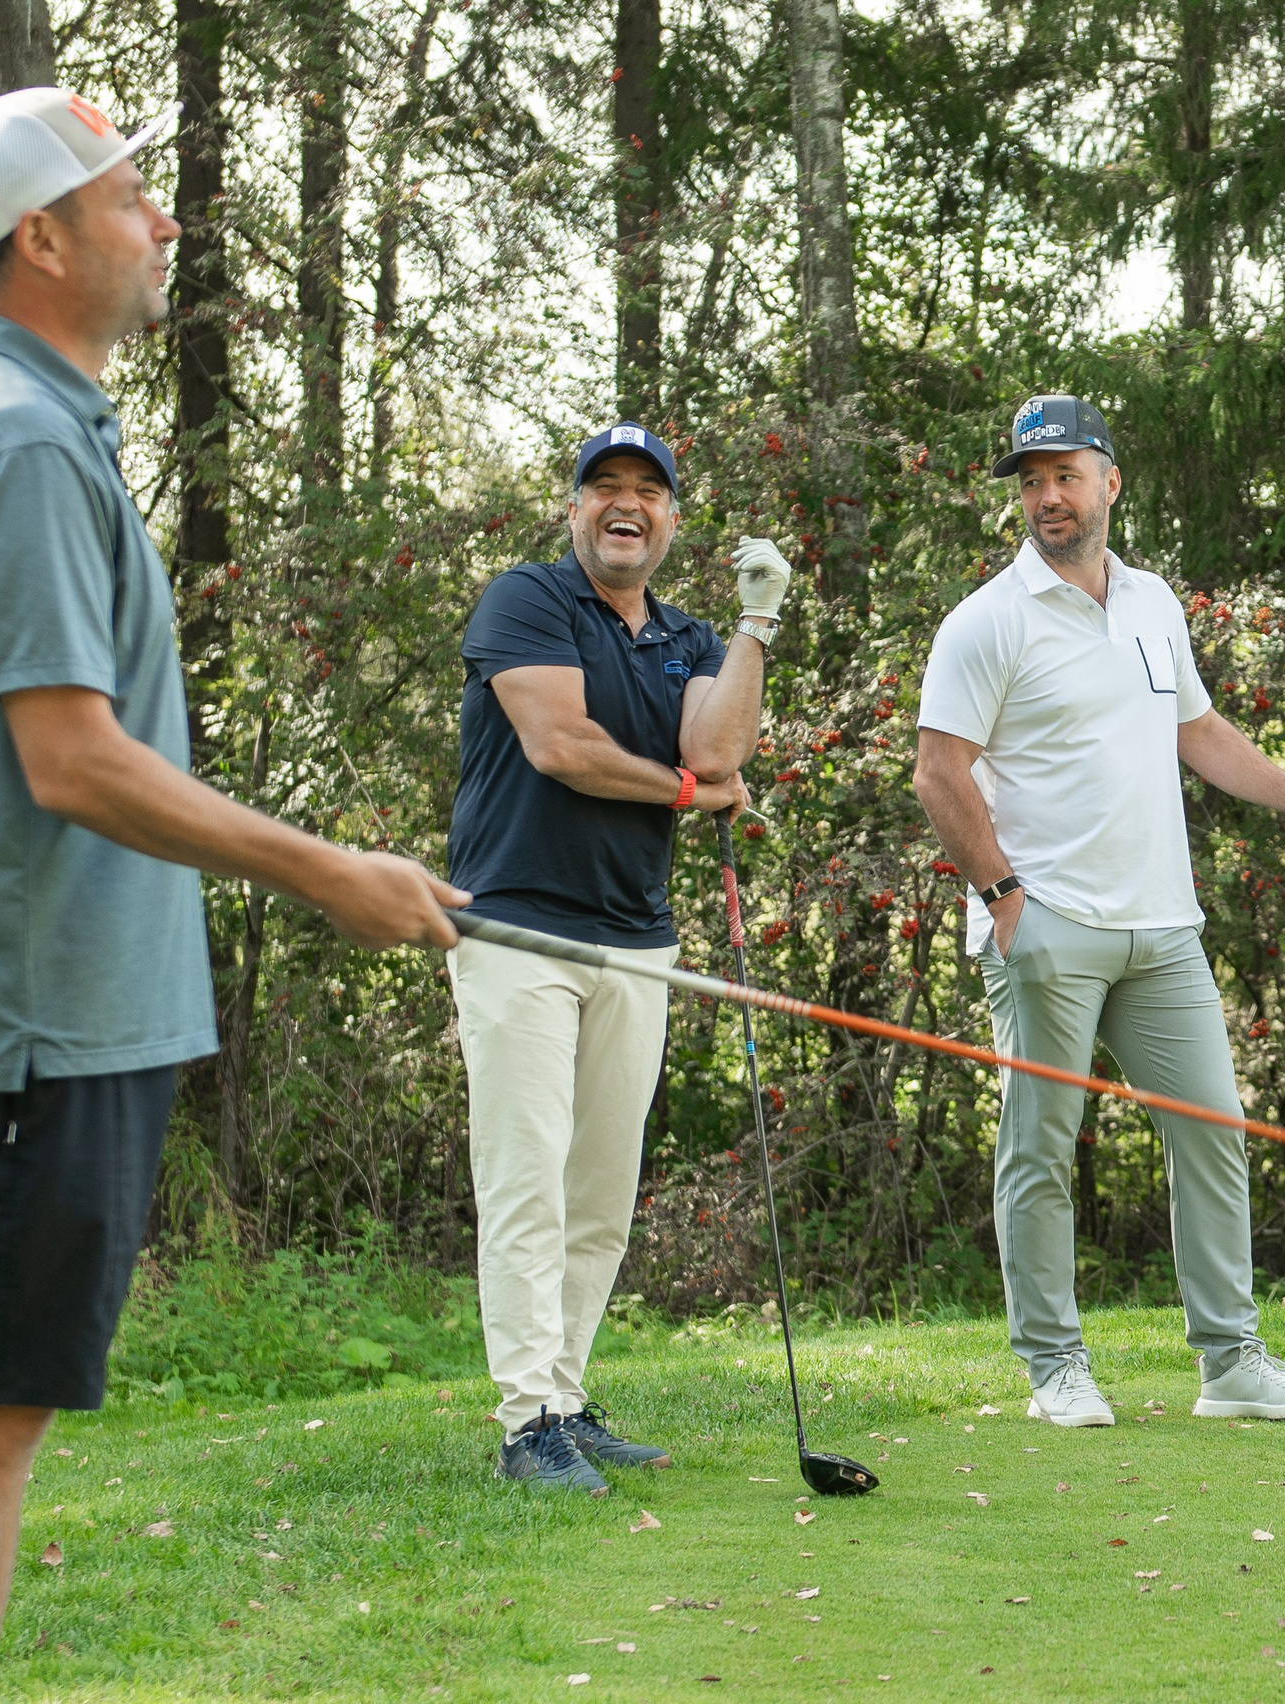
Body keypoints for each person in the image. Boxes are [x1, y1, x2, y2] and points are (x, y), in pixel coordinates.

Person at [0, 87, 465, 1704]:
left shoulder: (35, 423)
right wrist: (326, 868)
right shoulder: (12, 440)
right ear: (39, 236)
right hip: (16, 1029)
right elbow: (72, 761)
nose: (164, 223)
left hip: (57, 1024)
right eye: (131, 198)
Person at [914, 395, 1285, 1429]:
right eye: (1030, 480)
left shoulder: (1151, 602)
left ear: (1109, 483)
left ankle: (1231, 1364)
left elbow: (1199, 731)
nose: (1046, 496)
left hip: (1161, 929)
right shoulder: (987, 621)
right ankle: (1055, 1369)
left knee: (1211, 1132)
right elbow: (938, 772)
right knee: (1039, 1148)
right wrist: (1001, 898)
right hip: (1047, 928)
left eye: (1064, 475)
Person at [445, 423, 789, 1494]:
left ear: (672, 519)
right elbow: (563, 748)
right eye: (605, 488)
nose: (625, 505)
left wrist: (757, 624)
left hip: (636, 941)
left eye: (647, 491)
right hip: (517, 929)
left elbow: (718, 745)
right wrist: (690, 793)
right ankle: (523, 1425)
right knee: (526, 1181)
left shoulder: (684, 637)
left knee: (598, 1191)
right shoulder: (528, 600)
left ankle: (565, 1393)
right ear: (574, 508)